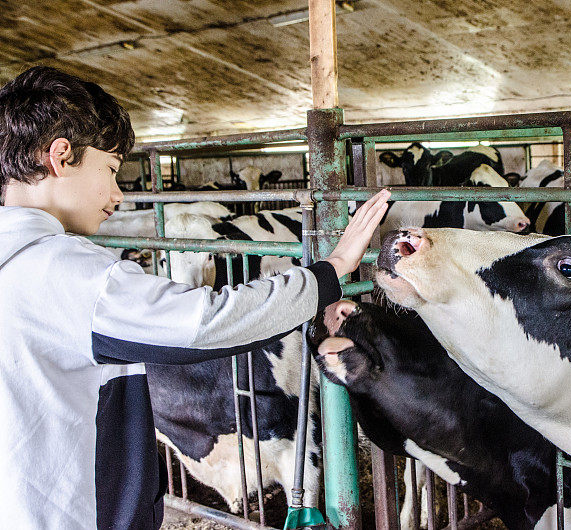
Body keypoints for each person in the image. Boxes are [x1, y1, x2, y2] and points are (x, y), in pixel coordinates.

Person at [0, 66, 390, 529]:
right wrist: (332, 270)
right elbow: (209, 323)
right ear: (61, 157)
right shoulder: (61, 272)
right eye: (109, 170)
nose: (119, 195)